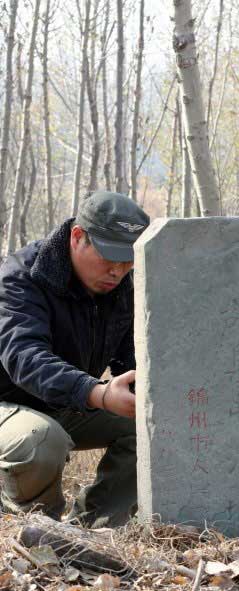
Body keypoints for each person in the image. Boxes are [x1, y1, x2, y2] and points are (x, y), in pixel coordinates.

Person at [0, 191, 150, 528]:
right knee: (39, 441)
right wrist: (97, 392)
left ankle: (95, 529)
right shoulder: (20, 276)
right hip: (8, 405)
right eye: (109, 257)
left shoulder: (120, 286)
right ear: (77, 237)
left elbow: (132, 359)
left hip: (65, 403)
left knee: (151, 422)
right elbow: (25, 357)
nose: (117, 270)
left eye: (128, 261)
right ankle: (38, 528)